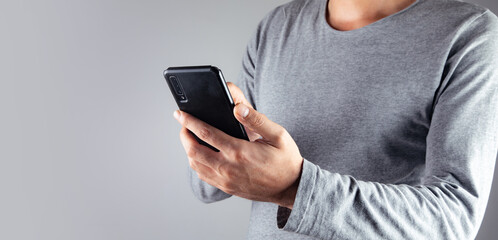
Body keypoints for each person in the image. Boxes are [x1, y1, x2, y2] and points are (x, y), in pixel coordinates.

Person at [173, 0, 498, 239]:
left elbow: (454, 222)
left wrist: (295, 187)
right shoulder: (276, 26)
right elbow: (207, 189)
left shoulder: (470, 35)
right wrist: (214, 142)